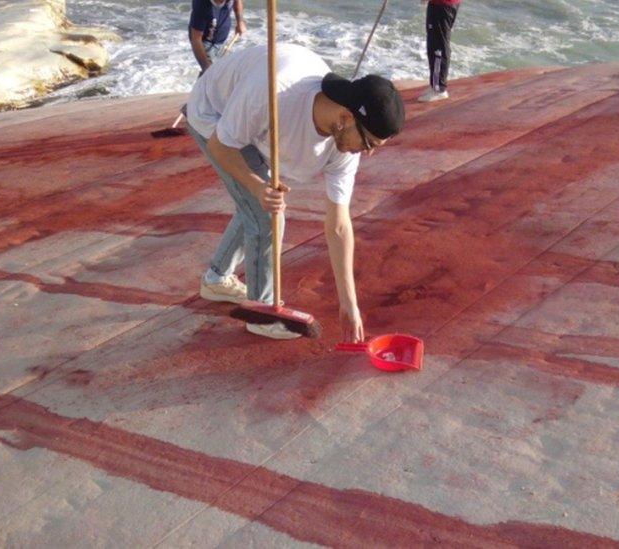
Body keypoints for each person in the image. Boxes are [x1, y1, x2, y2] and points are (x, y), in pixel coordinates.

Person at [184, 44, 405, 341]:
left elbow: (338, 225)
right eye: (368, 144)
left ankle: (216, 279)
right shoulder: (274, 95)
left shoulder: (344, 144)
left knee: (258, 204)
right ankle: (262, 313)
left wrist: (348, 302)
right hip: (214, 111)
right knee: (266, 211)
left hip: (253, 124)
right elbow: (221, 146)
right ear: (344, 118)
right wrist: (256, 185)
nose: (366, 154)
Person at [419, 0, 461, 102]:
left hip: (444, 5)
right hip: (437, 4)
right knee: (433, 44)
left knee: (439, 46)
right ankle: (435, 84)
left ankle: (439, 89)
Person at [189, 0, 246, 73]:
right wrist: (206, 67)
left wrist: (240, 22)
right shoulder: (201, 5)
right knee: (210, 75)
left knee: (223, 72)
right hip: (204, 42)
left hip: (221, 40)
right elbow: (196, 39)